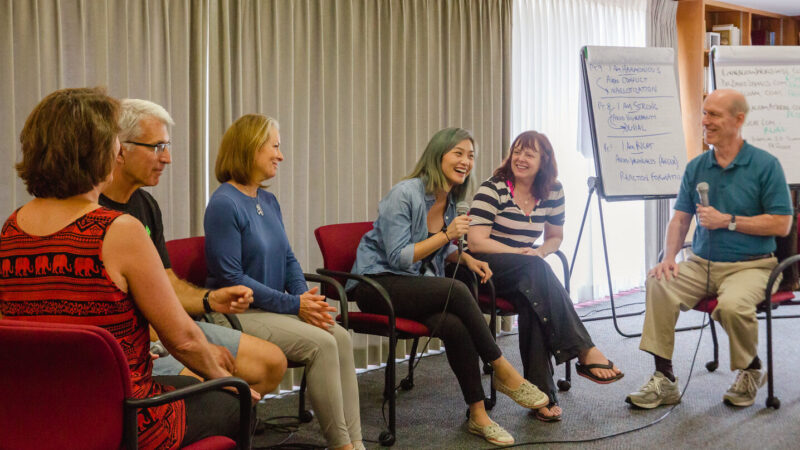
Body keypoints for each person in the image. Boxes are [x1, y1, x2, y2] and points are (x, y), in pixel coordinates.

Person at [0, 87, 256, 449]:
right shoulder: (117, 230)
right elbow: (181, 338)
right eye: (114, 143)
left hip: (34, 416)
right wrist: (222, 378)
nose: (119, 151)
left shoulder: (11, 228)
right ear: (97, 153)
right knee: (237, 403)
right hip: (122, 418)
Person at [347, 127, 550, 447]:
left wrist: (467, 259)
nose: (466, 161)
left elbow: (441, 252)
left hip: (414, 285)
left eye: (471, 155)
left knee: (454, 325)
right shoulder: (405, 194)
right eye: (458, 153)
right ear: (437, 155)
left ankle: (478, 416)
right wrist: (446, 235)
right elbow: (399, 258)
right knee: (454, 290)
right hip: (377, 285)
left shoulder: (451, 201)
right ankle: (502, 368)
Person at [99, 98, 286, 395]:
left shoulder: (145, 204)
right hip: (133, 340)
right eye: (157, 147)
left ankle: (227, 429)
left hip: (165, 330)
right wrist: (195, 349)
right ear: (121, 149)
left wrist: (210, 300)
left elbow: (167, 281)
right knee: (220, 390)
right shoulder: (95, 213)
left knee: (272, 363)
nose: (168, 158)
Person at [204, 114, 364, 450]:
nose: (281, 155)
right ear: (251, 148)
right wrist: (296, 305)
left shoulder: (268, 200)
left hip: (273, 309)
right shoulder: (223, 203)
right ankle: (342, 446)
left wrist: (307, 299)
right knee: (323, 344)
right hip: (237, 315)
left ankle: (357, 443)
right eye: (275, 147)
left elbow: (288, 257)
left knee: (339, 337)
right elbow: (233, 278)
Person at [626, 89, 793, 409]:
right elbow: (678, 221)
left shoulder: (765, 165)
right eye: (704, 113)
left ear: (738, 120)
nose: (705, 121)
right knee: (658, 283)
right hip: (700, 262)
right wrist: (669, 258)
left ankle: (751, 369)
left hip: (752, 266)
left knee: (730, 306)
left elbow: (781, 224)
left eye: (714, 114)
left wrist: (728, 221)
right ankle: (665, 379)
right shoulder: (696, 167)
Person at [466, 130, 623, 422]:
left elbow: (554, 237)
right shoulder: (494, 188)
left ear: (544, 161)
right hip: (486, 267)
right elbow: (475, 241)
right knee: (535, 271)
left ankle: (542, 395)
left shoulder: (554, 191)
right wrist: (522, 254)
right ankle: (584, 349)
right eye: (517, 151)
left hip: (525, 270)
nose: (520, 158)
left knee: (533, 301)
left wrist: (539, 253)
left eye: (529, 153)